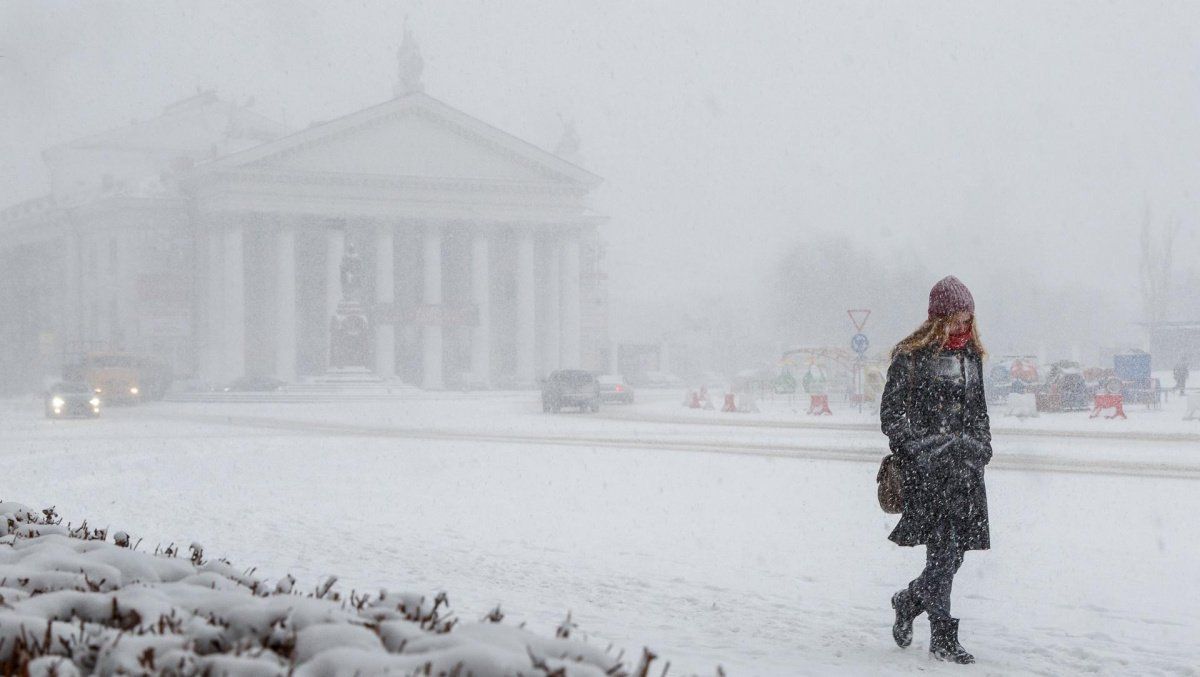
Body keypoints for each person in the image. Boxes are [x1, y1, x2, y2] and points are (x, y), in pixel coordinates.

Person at [880, 275, 992, 664]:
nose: (963, 327)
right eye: (957, 320)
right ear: (938, 319)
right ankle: (943, 639)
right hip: (928, 474)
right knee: (942, 554)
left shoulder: (971, 357)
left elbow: (979, 413)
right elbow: (892, 417)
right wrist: (920, 451)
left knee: (955, 553)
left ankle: (908, 601)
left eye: (968, 320)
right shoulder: (910, 357)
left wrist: (982, 449)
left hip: (966, 472)